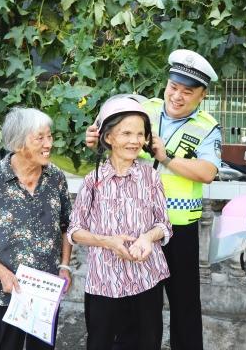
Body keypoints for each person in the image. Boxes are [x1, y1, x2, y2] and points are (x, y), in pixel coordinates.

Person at [85, 49, 222, 350]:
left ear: (202, 95)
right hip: (136, 227)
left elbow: (208, 172)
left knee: (184, 303)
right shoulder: (143, 108)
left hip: (178, 229)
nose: (177, 96)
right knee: (139, 302)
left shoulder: (207, 126)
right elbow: (106, 130)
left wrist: (166, 158)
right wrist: (94, 137)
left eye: (188, 92)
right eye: (173, 87)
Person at [0, 107, 73, 350]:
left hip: (46, 290)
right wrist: (2, 273)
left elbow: (67, 226)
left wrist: (64, 266)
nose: (48, 144)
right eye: (40, 138)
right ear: (19, 143)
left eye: (49, 136)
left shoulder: (55, 178)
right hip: (9, 291)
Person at [68, 96, 172, 350]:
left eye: (140, 134)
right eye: (126, 133)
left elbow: (164, 225)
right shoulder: (93, 181)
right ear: (108, 137)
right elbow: (74, 231)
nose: (134, 141)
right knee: (101, 343)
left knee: (147, 343)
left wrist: (147, 238)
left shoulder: (150, 176)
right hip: (105, 282)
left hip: (147, 278)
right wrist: (107, 242)